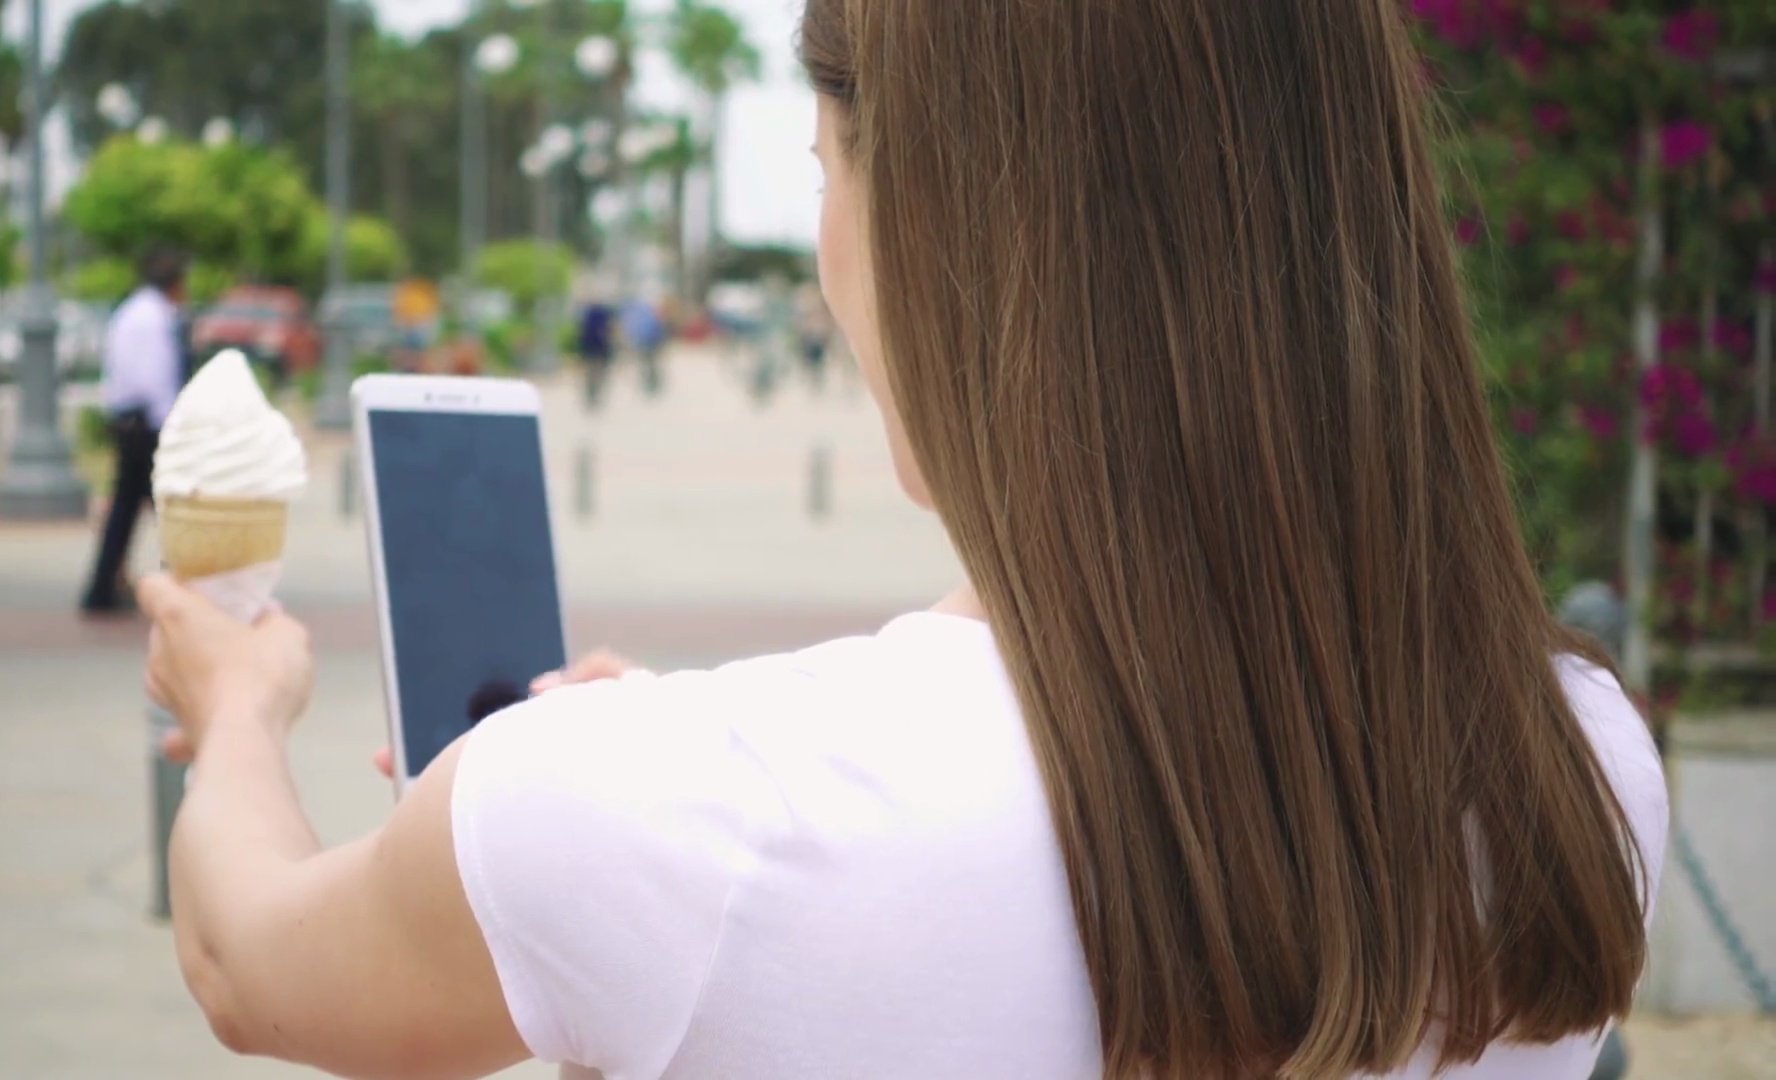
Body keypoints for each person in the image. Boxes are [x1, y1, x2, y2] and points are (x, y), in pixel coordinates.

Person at [139, 3, 1668, 1078]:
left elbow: (251, 967)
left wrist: (236, 710)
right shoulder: (1582, 763)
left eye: (825, 171)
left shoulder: (673, 817)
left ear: (947, 222)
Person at [80, 249, 187, 615]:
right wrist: (171, 426)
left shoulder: (130, 311)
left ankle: (103, 587)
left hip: (127, 421)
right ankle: (185, 589)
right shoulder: (155, 318)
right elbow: (155, 379)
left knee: (126, 509)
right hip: (147, 425)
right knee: (171, 509)